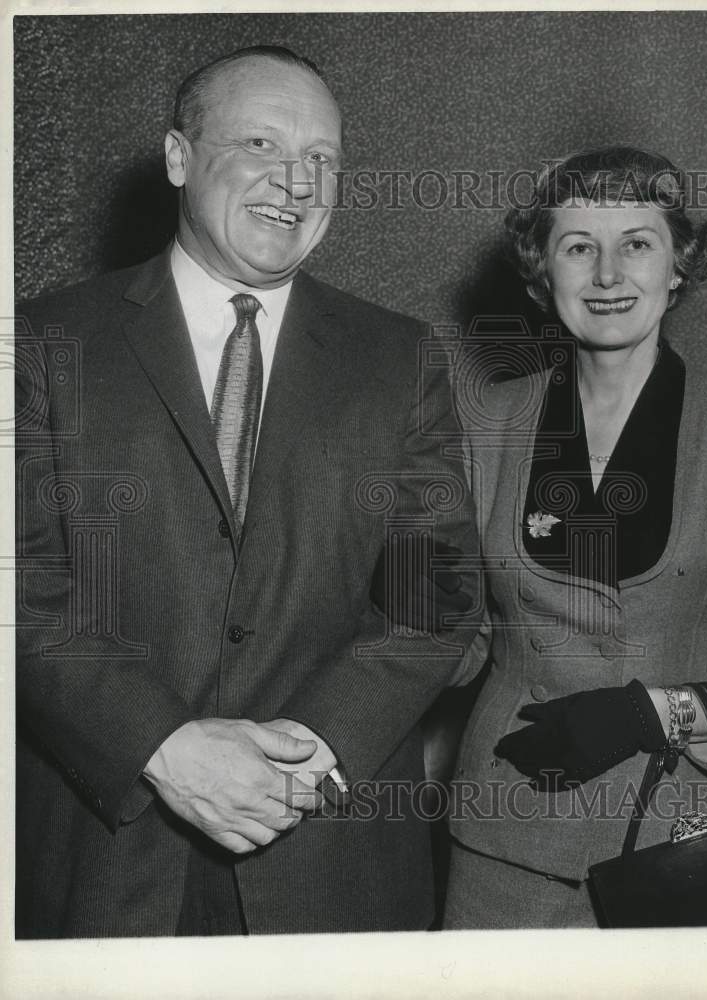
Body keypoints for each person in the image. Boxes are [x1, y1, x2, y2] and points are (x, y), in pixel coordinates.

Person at [15, 45, 479, 938]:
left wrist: (307, 757)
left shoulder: (399, 356)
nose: (297, 182)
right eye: (261, 144)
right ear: (180, 158)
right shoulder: (41, 340)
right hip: (105, 861)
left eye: (323, 160)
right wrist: (162, 747)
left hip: (329, 859)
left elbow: (441, 594)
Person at [442, 146, 707, 928]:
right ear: (540, 274)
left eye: (635, 243)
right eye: (576, 247)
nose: (605, 275)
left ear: (677, 266)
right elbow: (443, 638)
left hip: (686, 839)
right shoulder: (482, 424)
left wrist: (653, 715)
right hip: (504, 835)